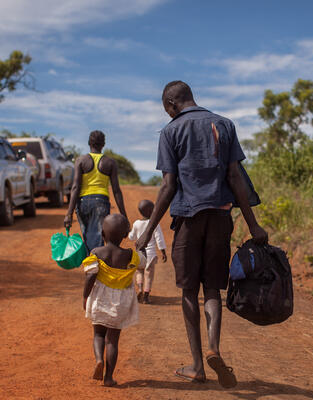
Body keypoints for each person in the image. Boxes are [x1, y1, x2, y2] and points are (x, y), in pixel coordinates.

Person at [135, 81, 268, 388]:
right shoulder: (224, 124)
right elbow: (235, 177)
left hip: (189, 219)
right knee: (212, 289)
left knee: (187, 291)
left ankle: (197, 365)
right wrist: (253, 225)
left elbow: (168, 186)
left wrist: (149, 230)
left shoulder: (170, 132)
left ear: (171, 103)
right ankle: (214, 348)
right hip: (221, 217)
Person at [82, 213, 146, 387]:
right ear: (126, 235)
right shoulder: (131, 256)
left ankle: (98, 360)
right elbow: (143, 263)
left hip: (100, 300)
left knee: (98, 334)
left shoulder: (96, 253)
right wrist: (142, 248)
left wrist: (85, 296)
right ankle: (109, 377)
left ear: (103, 234)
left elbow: (90, 276)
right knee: (112, 341)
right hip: (121, 303)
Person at [64, 130, 128, 252]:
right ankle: (95, 269)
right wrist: (124, 216)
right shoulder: (110, 162)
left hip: (82, 204)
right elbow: (116, 191)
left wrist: (69, 213)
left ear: (89, 143)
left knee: (88, 239)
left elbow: (75, 187)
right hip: (101, 203)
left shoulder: (81, 160)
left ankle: (92, 268)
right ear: (103, 144)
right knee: (98, 240)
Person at [128, 199, 167, 304]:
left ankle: (140, 288)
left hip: (139, 254)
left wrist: (129, 230)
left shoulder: (136, 223)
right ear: (151, 211)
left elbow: (131, 237)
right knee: (148, 275)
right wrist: (163, 252)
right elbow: (159, 239)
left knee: (139, 272)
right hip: (150, 254)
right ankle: (146, 296)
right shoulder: (154, 224)